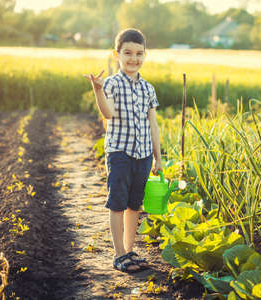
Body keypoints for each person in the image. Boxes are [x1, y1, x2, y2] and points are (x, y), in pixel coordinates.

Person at [84, 28, 162, 273]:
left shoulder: (148, 89)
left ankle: (129, 250)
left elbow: (153, 124)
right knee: (117, 203)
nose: (133, 58)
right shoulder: (112, 84)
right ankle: (118, 255)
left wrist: (158, 157)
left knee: (134, 205)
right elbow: (108, 113)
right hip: (120, 152)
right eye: (128, 53)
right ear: (117, 54)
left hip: (144, 155)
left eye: (139, 53)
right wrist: (97, 90)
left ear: (145, 55)